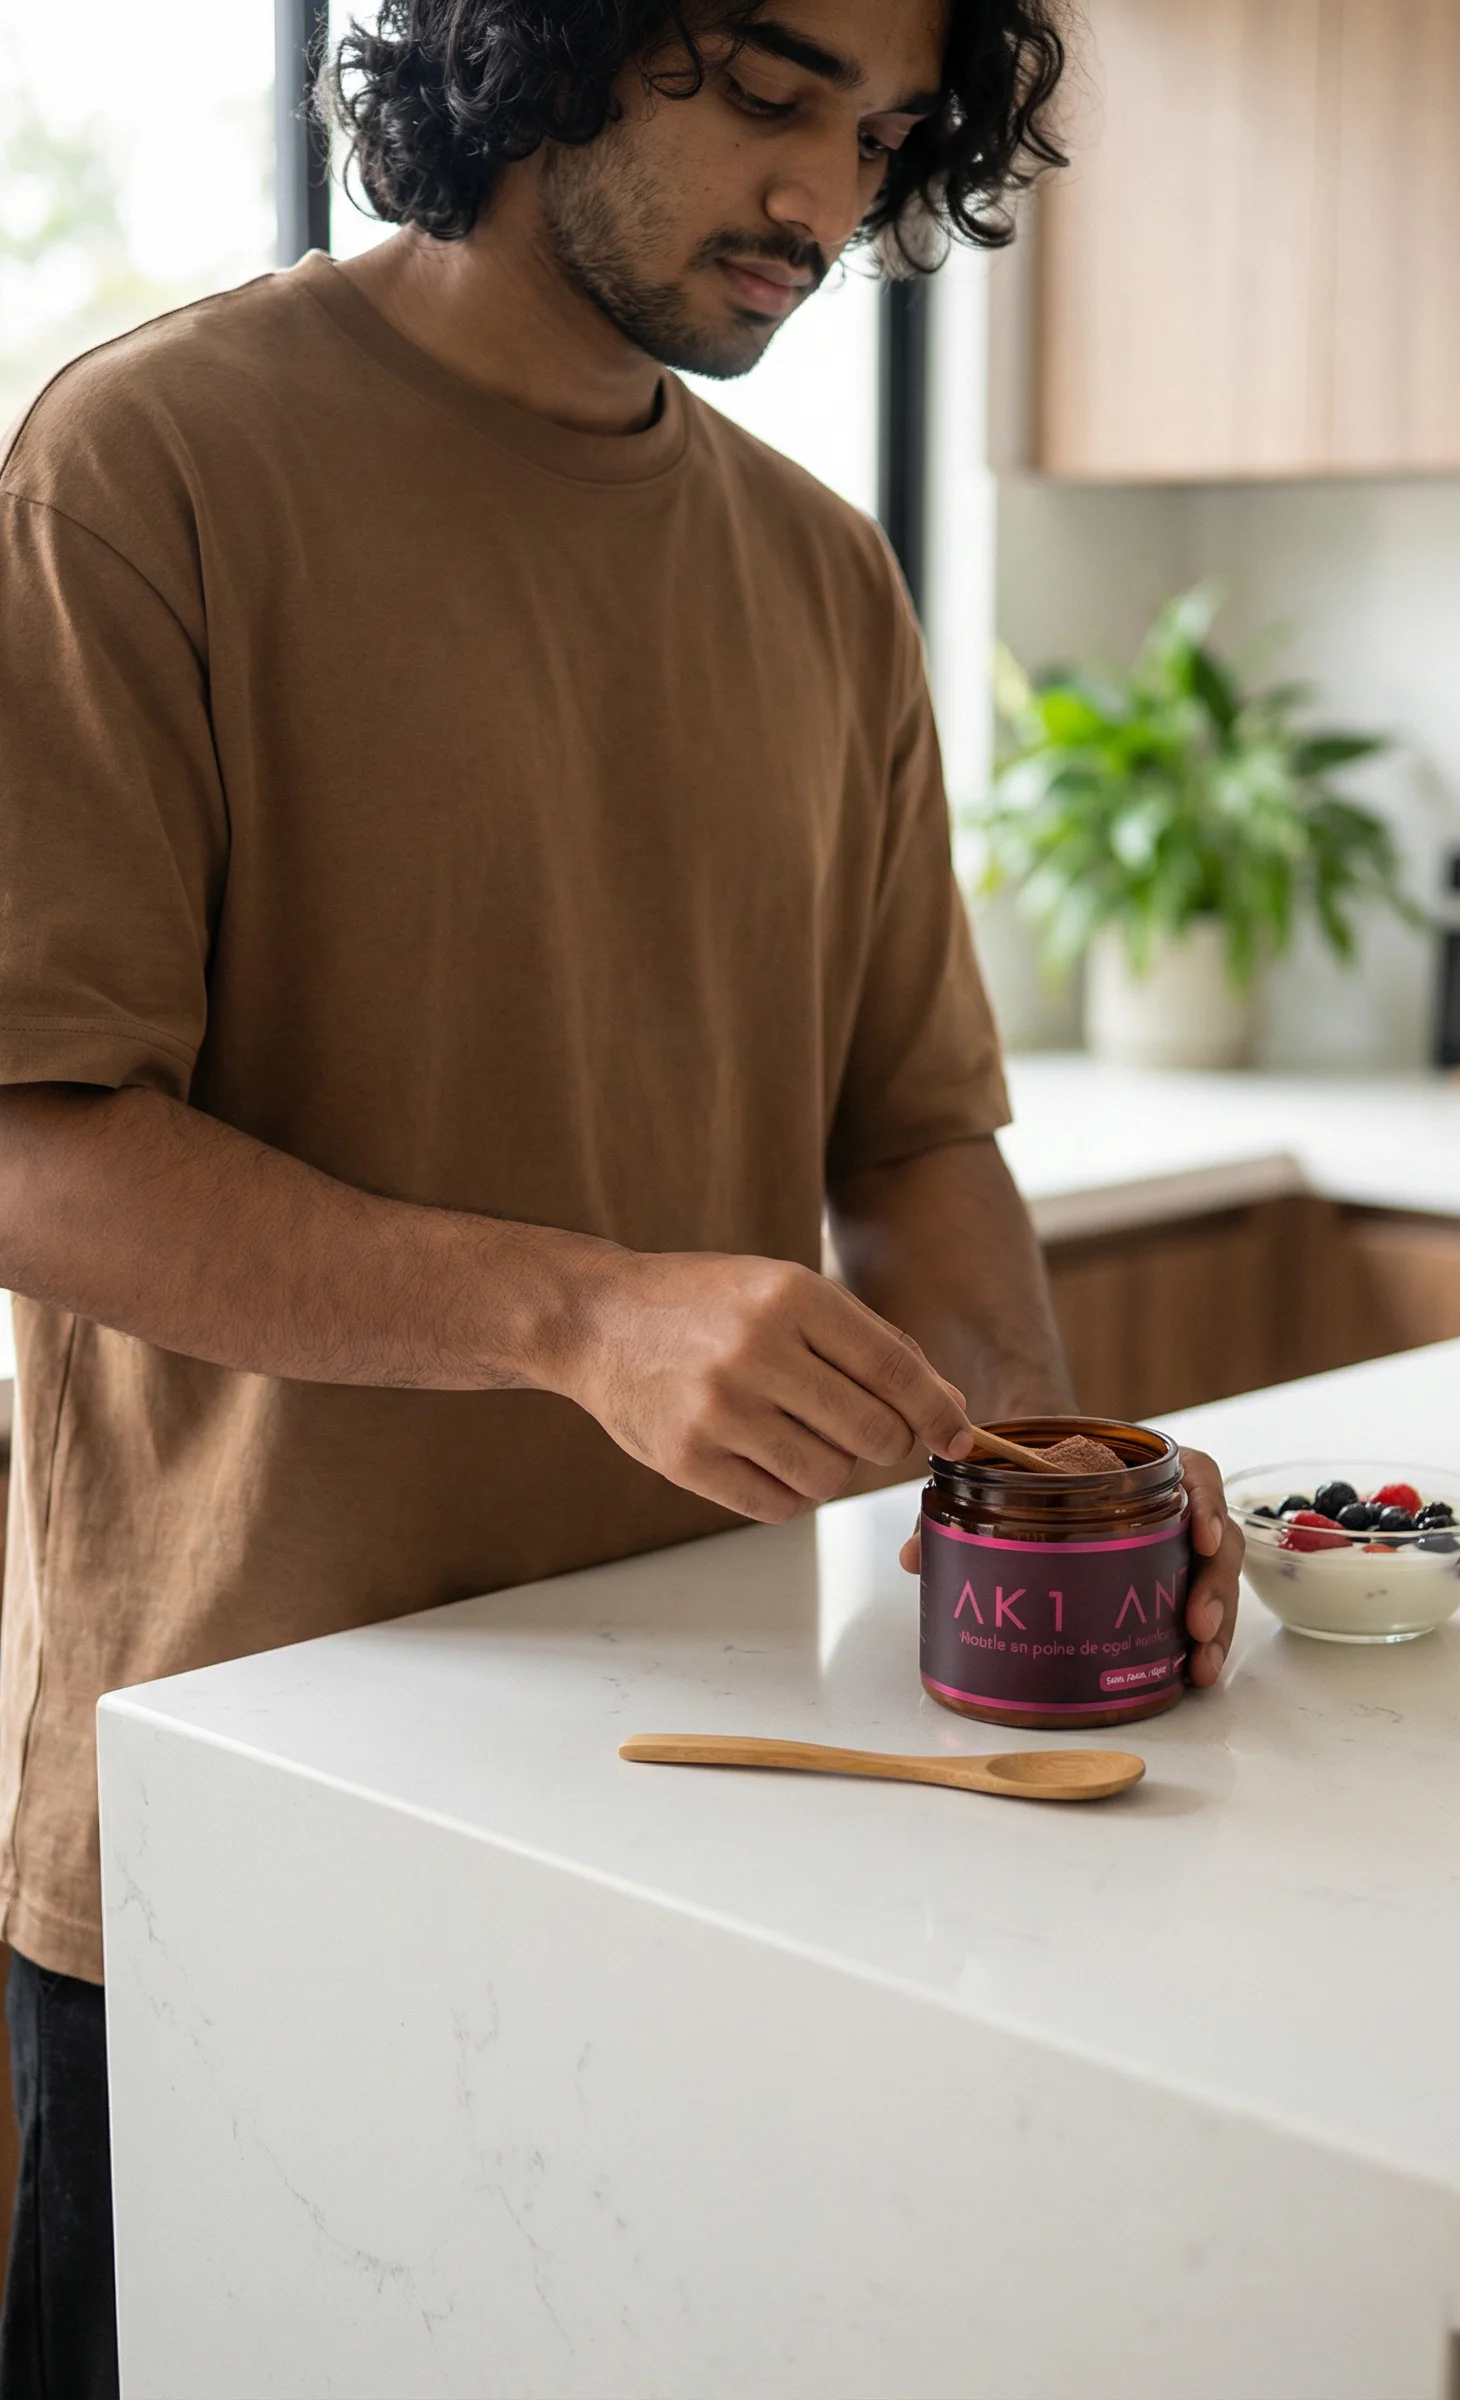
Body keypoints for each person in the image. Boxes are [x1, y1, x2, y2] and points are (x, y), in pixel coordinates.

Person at [0, 0, 1242, 2386]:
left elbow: (910, 1134)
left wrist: (1042, 1504)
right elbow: (31, 1143)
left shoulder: (820, 577)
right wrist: (577, 1317)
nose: (824, 203)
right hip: (241, 1814)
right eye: (764, 96)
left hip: (707, 1802)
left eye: (880, 139)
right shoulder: (140, 465)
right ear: (541, 37)